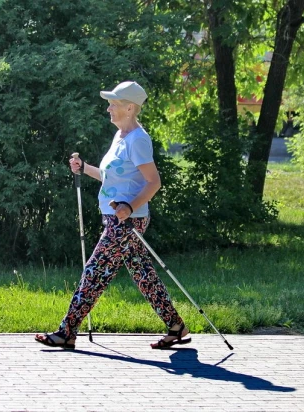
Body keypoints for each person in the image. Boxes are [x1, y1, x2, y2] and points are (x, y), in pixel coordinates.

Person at [35, 81, 191, 350]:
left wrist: (129, 207)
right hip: (115, 217)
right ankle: (176, 327)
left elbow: (153, 182)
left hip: (127, 221)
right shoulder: (120, 137)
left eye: (114, 104)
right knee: (144, 275)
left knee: (94, 271)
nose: (108, 108)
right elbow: (110, 176)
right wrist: (84, 168)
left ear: (130, 108)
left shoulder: (138, 140)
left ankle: (66, 331)